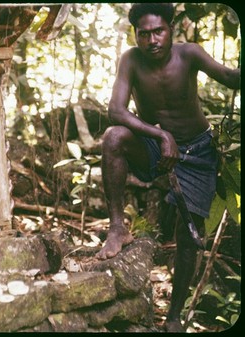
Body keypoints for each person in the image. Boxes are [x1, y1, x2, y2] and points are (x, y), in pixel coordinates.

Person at [97, 3, 240, 332]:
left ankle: (174, 316)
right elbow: (116, 111)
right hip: (155, 145)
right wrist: (161, 135)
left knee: (190, 236)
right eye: (143, 34)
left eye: (158, 31)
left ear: (171, 29)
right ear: (136, 35)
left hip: (198, 150)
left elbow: (231, 78)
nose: (151, 40)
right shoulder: (131, 59)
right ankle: (117, 227)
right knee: (114, 137)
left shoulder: (189, 54)